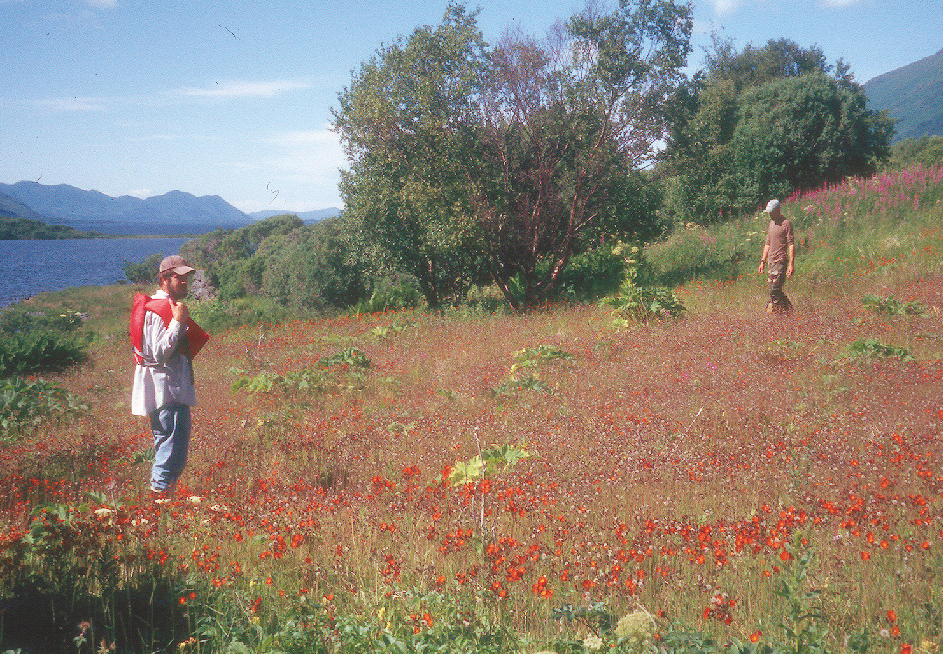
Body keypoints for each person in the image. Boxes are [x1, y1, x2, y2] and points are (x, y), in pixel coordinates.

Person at [131, 255, 209, 498]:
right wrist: (177, 322)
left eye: (187, 278)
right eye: (179, 277)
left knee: (171, 451)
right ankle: (160, 504)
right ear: (164, 279)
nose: (185, 282)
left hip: (171, 391)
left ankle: (165, 500)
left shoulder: (168, 307)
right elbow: (159, 353)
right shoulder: (158, 311)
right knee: (170, 453)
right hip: (167, 393)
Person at [757, 199, 795, 313]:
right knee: (772, 291)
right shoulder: (771, 223)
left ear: (778, 210)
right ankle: (786, 310)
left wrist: (791, 265)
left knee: (775, 289)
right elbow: (767, 243)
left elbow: (791, 244)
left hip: (781, 261)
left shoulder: (786, 223)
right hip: (771, 262)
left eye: (772, 212)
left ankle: (783, 311)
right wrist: (762, 262)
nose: (770, 214)